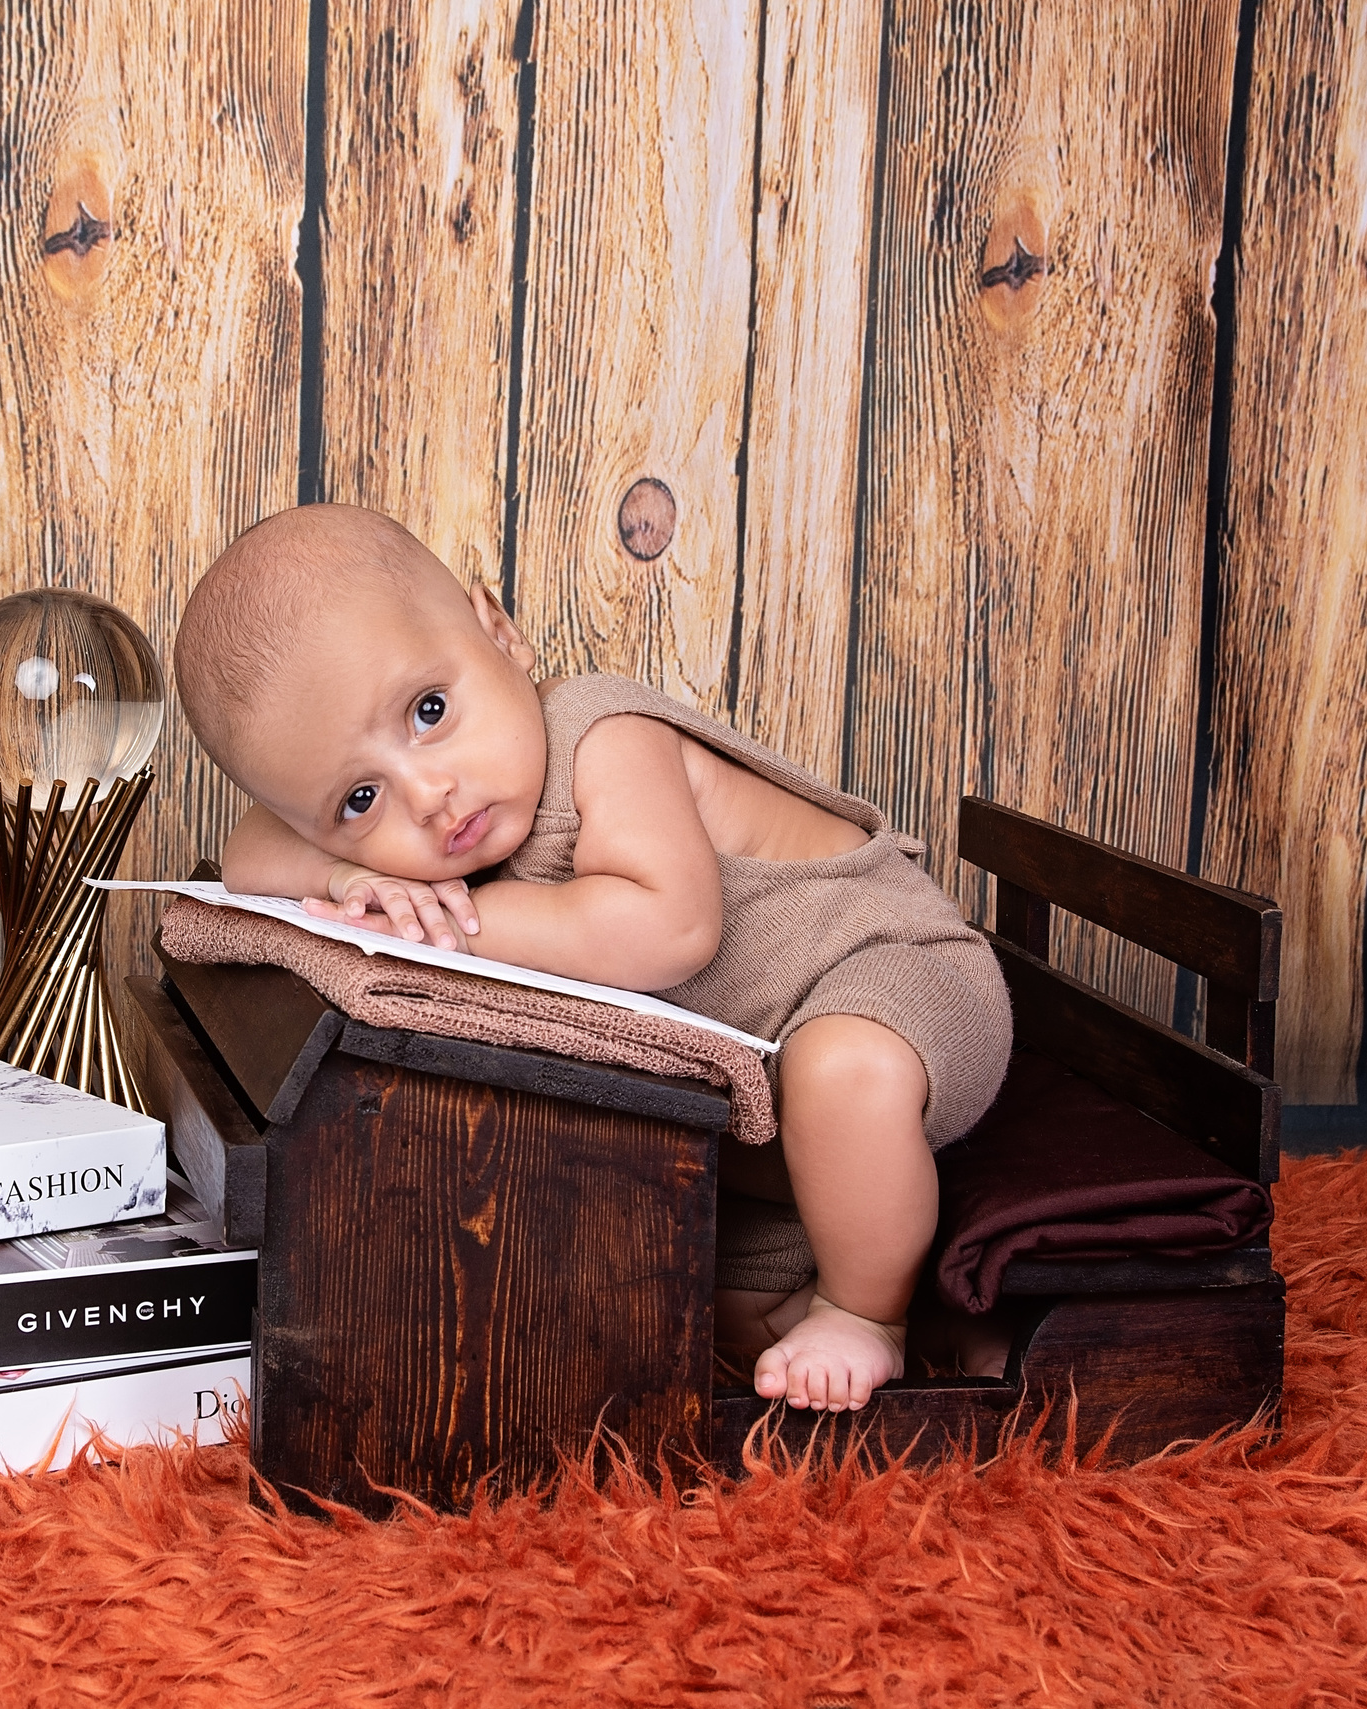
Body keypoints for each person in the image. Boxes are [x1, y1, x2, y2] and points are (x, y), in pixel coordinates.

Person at [173, 504, 1011, 1410]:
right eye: (359, 798)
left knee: (842, 1070)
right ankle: (936, 1314)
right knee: (694, 1303)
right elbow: (249, 852)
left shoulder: (600, 735)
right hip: (763, 1114)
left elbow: (671, 928)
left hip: (894, 983)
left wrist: (452, 926)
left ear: (499, 632)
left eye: (428, 711)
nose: (428, 794)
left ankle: (869, 1312)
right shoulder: (439, 828)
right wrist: (346, 876)